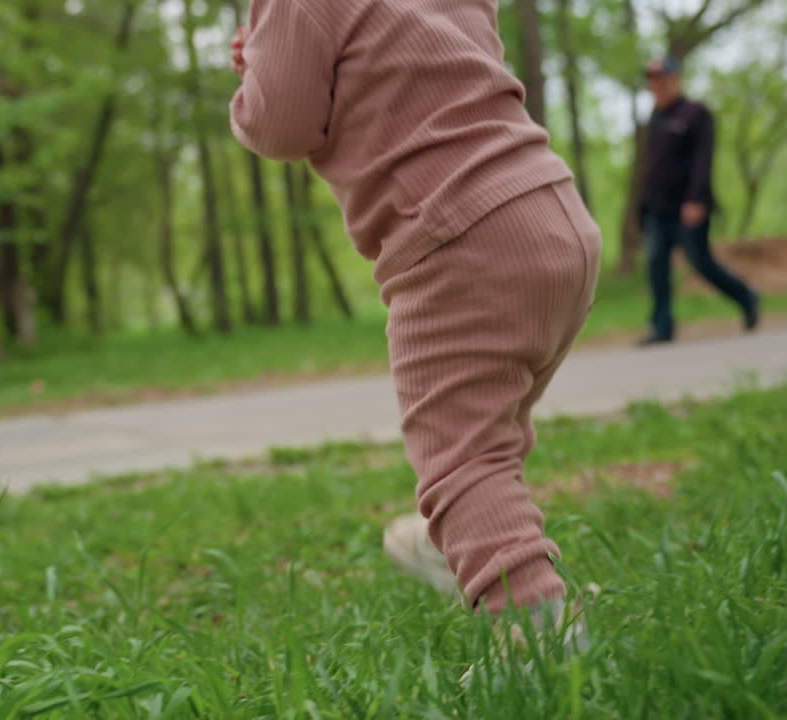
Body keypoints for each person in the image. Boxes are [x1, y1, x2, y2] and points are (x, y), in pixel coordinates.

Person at [230, 0, 599, 646]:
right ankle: (449, 542)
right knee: (488, 431)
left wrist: (260, 71)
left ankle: (541, 639)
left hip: (455, 238)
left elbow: (282, 124)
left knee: (464, 460)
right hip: (551, 213)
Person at [638, 56, 760, 346]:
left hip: (687, 208)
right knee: (656, 265)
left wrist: (695, 200)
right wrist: (641, 208)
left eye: (662, 79)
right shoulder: (656, 119)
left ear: (676, 80)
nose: (657, 85)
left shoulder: (696, 114)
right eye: (652, 80)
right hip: (657, 209)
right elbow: (651, 167)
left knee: (701, 262)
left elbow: (703, 160)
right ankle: (661, 326)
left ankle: (747, 296)